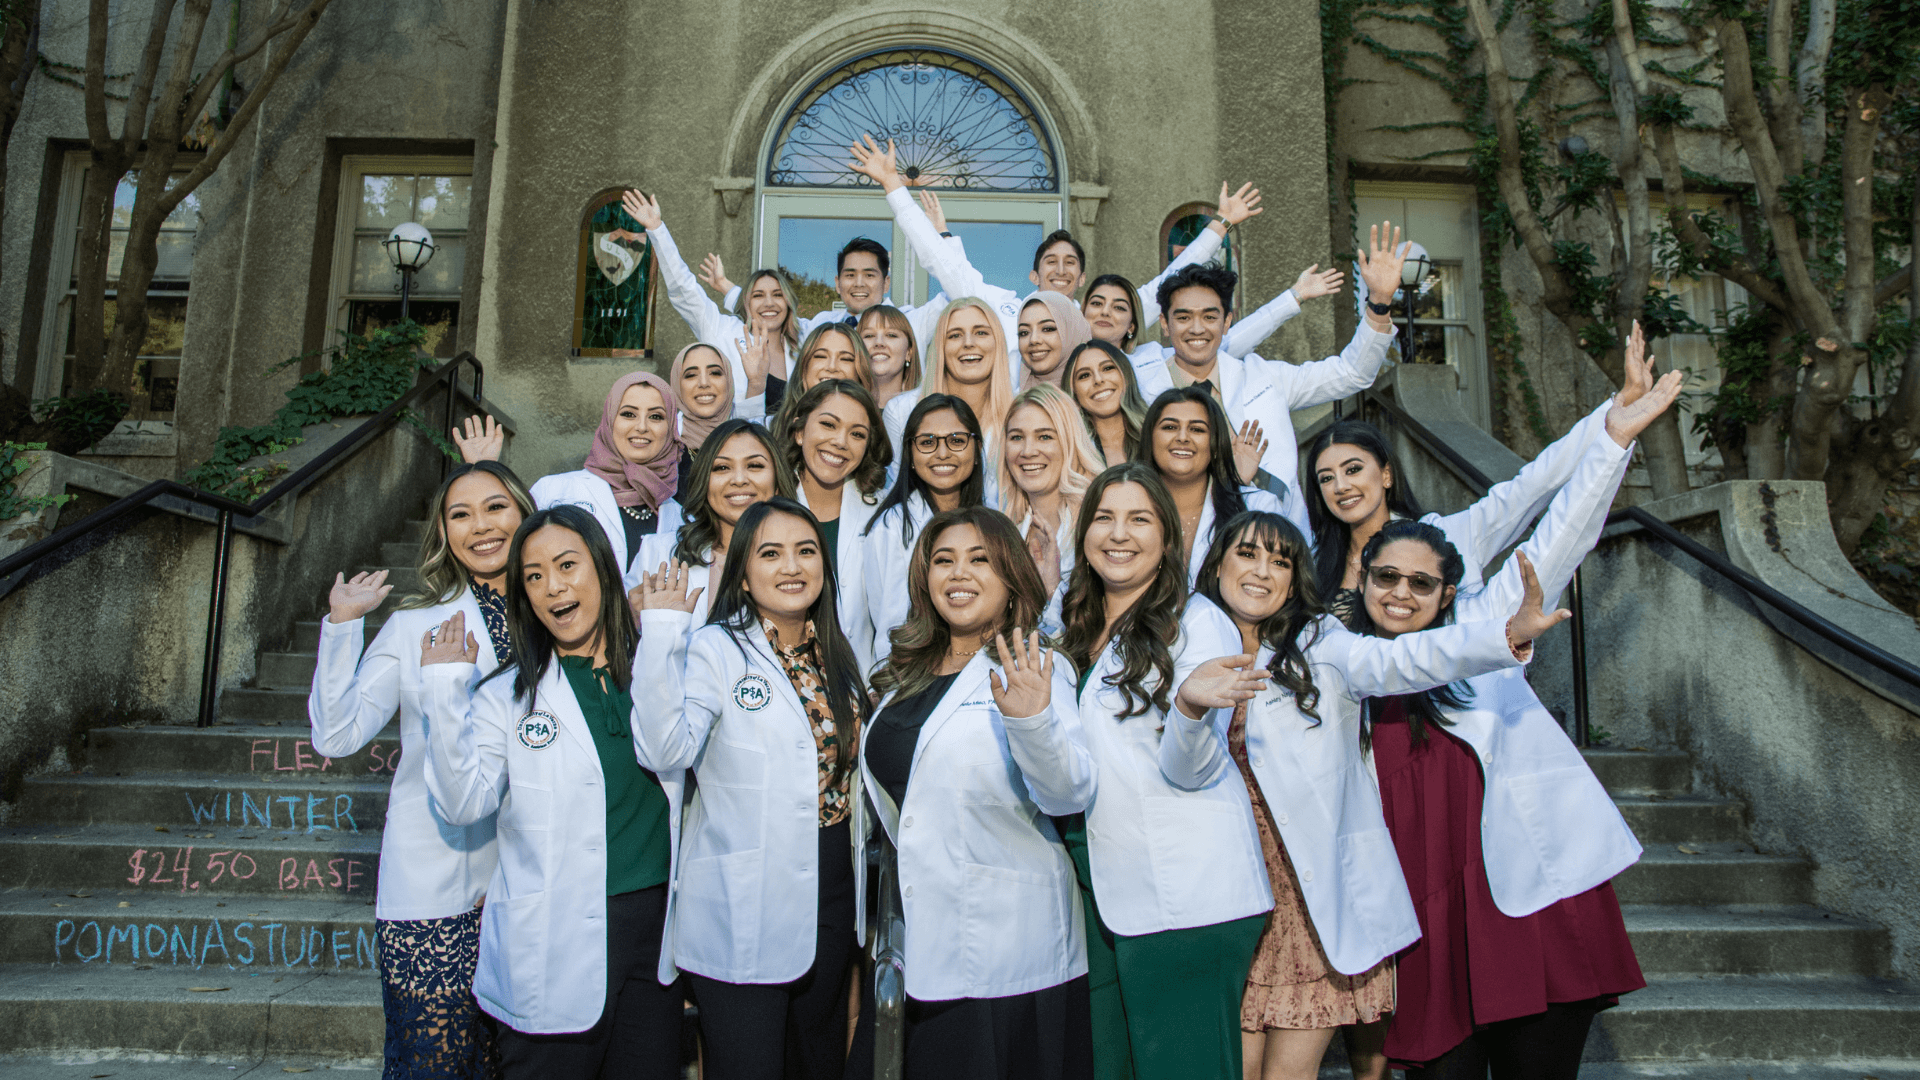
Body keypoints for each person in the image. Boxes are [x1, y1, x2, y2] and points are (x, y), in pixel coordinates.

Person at [1351, 345, 1681, 1080]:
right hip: (1419, 920)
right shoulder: (1345, 669)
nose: (1400, 593)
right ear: (1364, 582)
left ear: (1448, 595)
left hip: (1524, 899)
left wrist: (1612, 442)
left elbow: (1559, 535)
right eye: (1385, 578)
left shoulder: (1481, 635)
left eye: (1420, 583)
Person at [1172, 511, 1559, 1080]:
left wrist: (1506, 635)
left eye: (1280, 561)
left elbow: (1405, 659)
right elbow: (1173, 771)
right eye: (1247, 554)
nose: (1261, 571)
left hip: (1307, 903)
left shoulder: (1322, 644)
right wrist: (1189, 704)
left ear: (1294, 578)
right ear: (1218, 564)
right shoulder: (1181, 644)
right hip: (1227, 900)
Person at [418, 504, 686, 1079]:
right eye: (534, 577)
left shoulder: (658, 669)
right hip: (550, 944)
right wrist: (443, 694)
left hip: (652, 941)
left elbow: (671, 754)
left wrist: (661, 637)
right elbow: (463, 804)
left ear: (605, 572)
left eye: (567, 565)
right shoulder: (505, 696)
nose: (552, 587)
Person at [845, 507, 1097, 1079]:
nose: (959, 573)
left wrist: (1033, 721)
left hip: (1008, 946)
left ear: (1012, 579)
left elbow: (1067, 793)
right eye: (944, 560)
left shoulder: (1038, 666)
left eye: (980, 559)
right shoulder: (901, 674)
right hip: (918, 940)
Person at [632, 498, 869, 1080]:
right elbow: (665, 751)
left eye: (806, 551)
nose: (792, 566)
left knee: (817, 1063)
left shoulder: (838, 653)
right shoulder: (715, 649)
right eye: (770, 553)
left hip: (833, 893)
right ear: (741, 572)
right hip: (745, 903)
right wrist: (660, 634)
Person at [309, 460, 532, 1078]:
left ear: (525, 515)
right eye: (460, 514)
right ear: (443, 535)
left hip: (529, 884)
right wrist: (344, 627)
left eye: (496, 508)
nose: (481, 526)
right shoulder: (413, 627)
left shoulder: (560, 620)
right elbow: (336, 734)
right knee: (433, 1062)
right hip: (434, 885)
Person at [1052, 462, 1274, 1080]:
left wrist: (1190, 707)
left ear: (1169, 538)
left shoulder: (1198, 622)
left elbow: (1192, 769)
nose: (1118, 534)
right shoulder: (1071, 625)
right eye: (1104, 518)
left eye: (1139, 519)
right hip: (1103, 893)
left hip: (1185, 899)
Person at [1306, 320, 1664, 625]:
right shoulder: (1315, 562)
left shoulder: (1449, 535)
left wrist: (1623, 405)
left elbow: (1536, 482)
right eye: (1326, 477)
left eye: (1353, 469)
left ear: (1386, 475)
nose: (1341, 485)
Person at [849, 132, 1257, 357]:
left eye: (1069, 263)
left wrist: (1219, 226)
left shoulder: (1100, 318)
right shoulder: (999, 307)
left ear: (1081, 277)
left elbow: (1166, 285)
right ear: (1034, 274)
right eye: (1051, 261)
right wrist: (893, 188)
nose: (1060, 268)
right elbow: (943, 264)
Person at [1132, 223, 1407, 504]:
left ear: (1227, 322)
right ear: (1165, 324)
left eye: (1210, 317)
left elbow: (1352, 373)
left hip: (1270, 532)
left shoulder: (1264, 376)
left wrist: (1380, 302)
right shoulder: (1138, 386)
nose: (1197, 328)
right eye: (1183, 317)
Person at [623, 191, 793, 415]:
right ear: (746, 303)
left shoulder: (804, 342)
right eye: (758, 295)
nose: (769, 303)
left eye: (778, 295)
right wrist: (657, 230)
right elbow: (684, 289)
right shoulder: (722, 331)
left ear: (789, 302)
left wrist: (723, 284)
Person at [524, 372, 686, 587]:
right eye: (628, 414)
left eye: (656, 416)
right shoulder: (553, 492)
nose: (641, 427)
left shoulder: (681, 518)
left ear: (670, 429)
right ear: (609, 420)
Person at [862, 394, 987, 663]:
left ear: (976, 450)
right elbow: (891, 631)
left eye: (956, 441)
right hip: (917, 677)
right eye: (927, 442)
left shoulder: (992, 522)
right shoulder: (891, 528)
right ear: (910, 453)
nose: (942, 453)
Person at [635, 418, 795, 628]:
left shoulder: (803, 556)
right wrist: (631, 620)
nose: (739, 479)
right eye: (722, 468)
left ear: (777, 480)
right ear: (705, 482)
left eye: (754, 465)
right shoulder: (657, 553)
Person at [781, 378, 890, 671]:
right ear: (799, 431)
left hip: (863, 689)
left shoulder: (884, 513)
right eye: (828, 425)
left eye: (857, 434)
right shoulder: (768, 503)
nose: (840, 441)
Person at [1135, 387, 1285, 584]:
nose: (1182, 437)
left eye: (1197, 429)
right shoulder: (1123, 505)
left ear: (1215, 443)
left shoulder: (1259, 505)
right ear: (1150, 438)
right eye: (1170, 427)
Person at [709, 235, 951, 356]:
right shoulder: (823, 324)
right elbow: (774, 317)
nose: (858, 284)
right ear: (837, 283)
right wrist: (726, 288)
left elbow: (956, 292)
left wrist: (943, 237)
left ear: (885, 282)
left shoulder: (909, 322)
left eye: (869, 275)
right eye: (850, 275)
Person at [880, 297, 1018, 486]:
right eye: (954, 335)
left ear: (998, 343)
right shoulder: (901, 412)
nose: (968, 343)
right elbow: (901, 491)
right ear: (940, 348)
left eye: (981, 332)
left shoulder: (1019, 415)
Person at [1000, 383, 1104, 609]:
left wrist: (1052, 593)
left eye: (1044, 437)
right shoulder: (1005, 531)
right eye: (1016, 437)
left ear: (1070, 442)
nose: (1027, 451)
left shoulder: (1099, 524)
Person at [767, 321, 878, 435]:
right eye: (821, 356)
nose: (832, 367)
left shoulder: (875, 432)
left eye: (846, 359)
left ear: (860, 372)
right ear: (804, 367)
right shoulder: (768, 428)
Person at [1063, 340, 1152, 468]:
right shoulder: (1068, 455)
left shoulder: (1157, 435)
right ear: (1074, 392)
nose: (1098, 380)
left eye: (1107, 368)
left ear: (1126, 375)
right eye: (1084, 375)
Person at [1018, 291, 1094, 389]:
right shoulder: (1012, 401)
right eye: (1024, 332)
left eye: (1048, 329)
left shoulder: (1098, 397)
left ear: (1072, 333)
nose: (1033, 339)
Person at [857, 303, 922, 412]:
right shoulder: (841, 409)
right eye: (869, 335)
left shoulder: (925, 410)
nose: (879, 342)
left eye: (891, 335)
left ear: (908, 353)